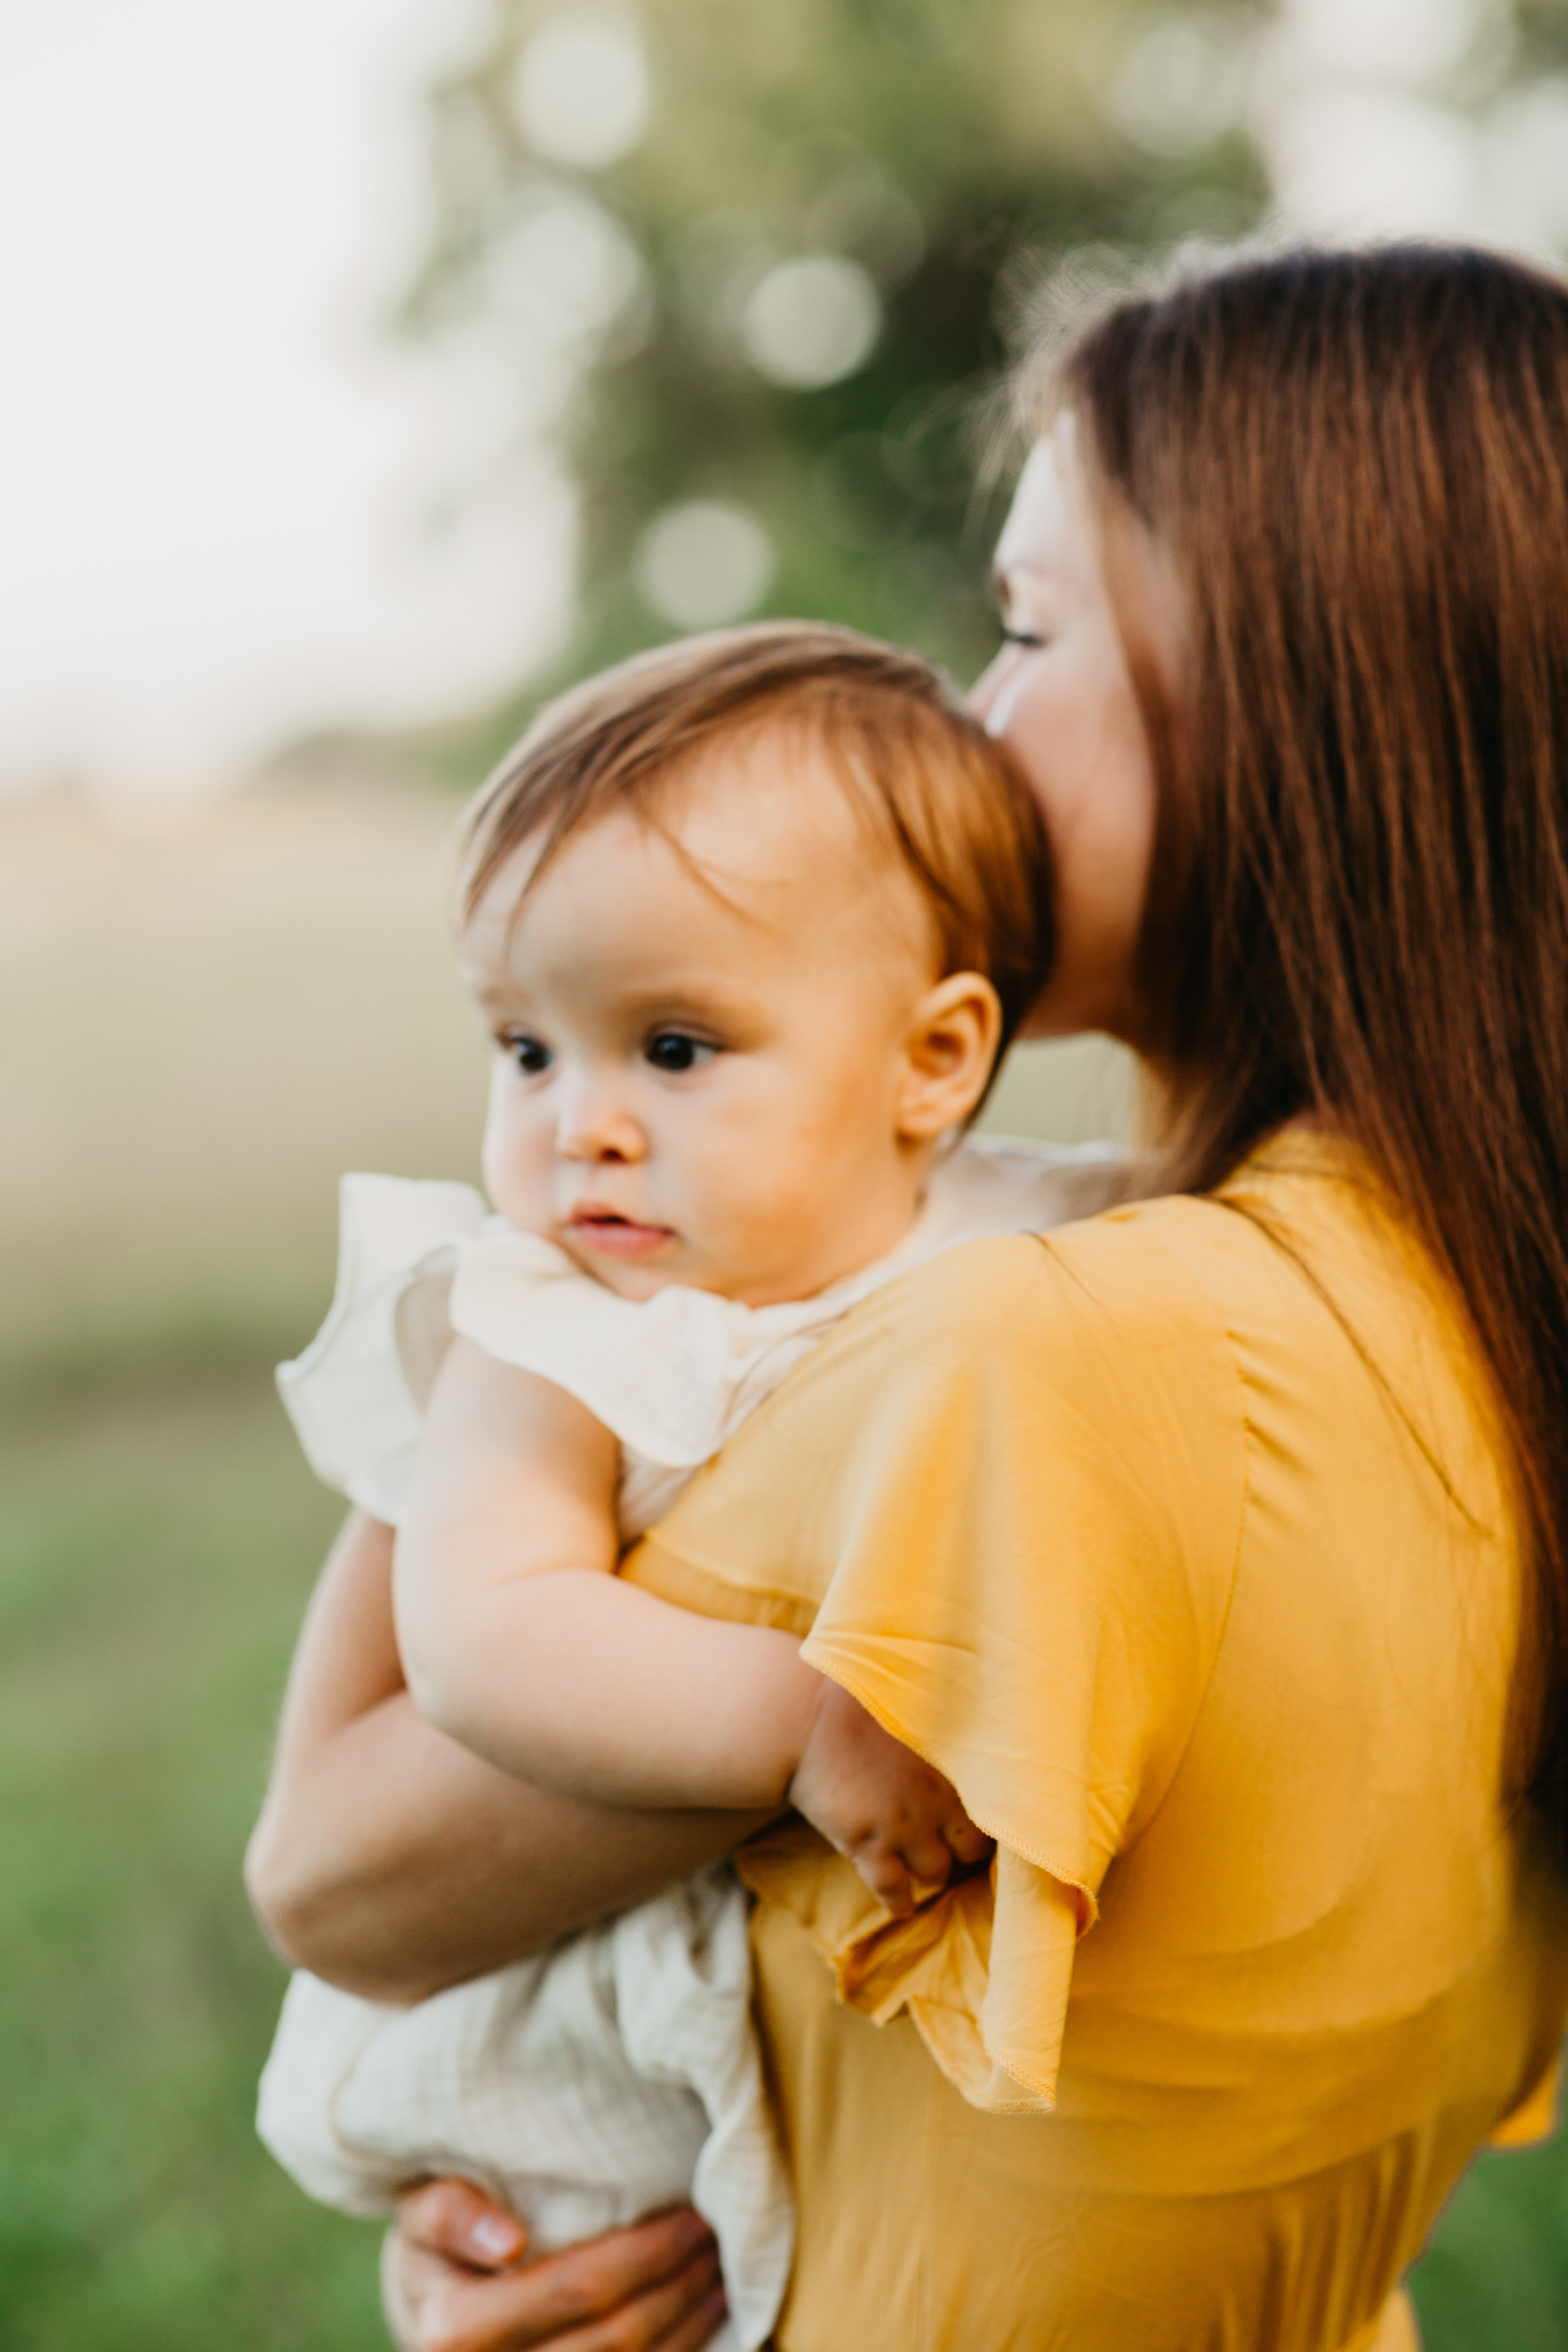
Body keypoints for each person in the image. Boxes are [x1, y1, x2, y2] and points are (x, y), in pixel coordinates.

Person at [247, 242, 1568, 2351]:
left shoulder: (1058, 1360)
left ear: (1304, 715)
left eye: (1033, 629)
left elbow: (331, 1871)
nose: (974, 712)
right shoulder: (1467, 1307)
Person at [252, 624, 1126, 2350]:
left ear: (933, 1063)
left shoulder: (1053, 1227)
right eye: (524, 1049)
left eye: (671, 1048)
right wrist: (800, 1716)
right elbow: (489, 1633)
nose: (580, 1125)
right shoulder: (554, 1326)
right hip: (563, 2019)